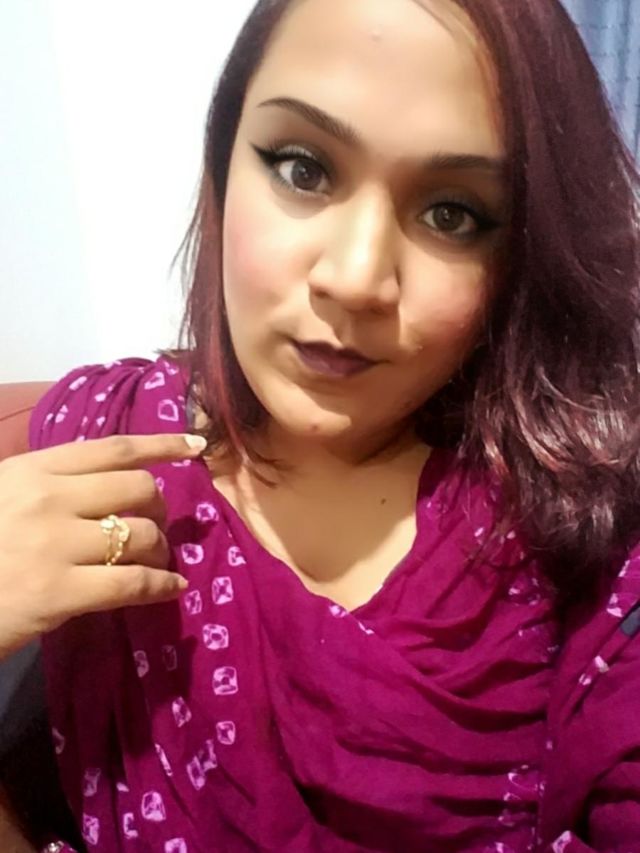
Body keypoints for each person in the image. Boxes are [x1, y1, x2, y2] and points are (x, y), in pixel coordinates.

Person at [1, 0, 639, 849]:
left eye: (452, 213)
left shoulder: (584, 529)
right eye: (303, 168)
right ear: (223, 165)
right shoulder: (97, 441)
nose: (355, 277)